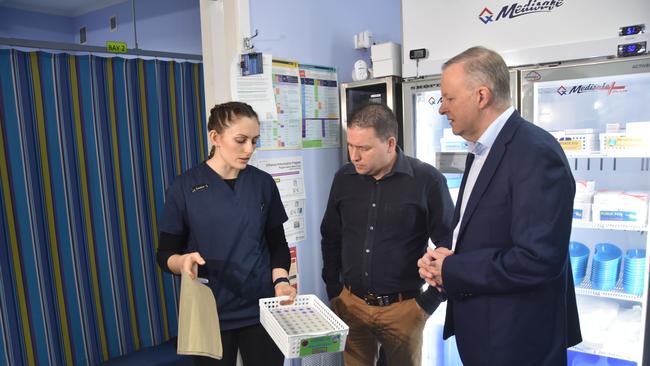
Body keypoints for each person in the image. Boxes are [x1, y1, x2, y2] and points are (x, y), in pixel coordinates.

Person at [417, 46, 582, 365]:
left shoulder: (534, 152)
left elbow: (537, 260)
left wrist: (452, 269)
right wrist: (444, 259)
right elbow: (484, 230)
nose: (442, 109)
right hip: (484, 335)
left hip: (517, 343)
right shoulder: (480, 149)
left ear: (481, 96)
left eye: (448, 98)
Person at [156, 101, 296, 366]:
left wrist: (281, 282)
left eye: (255, 141)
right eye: (241, 140)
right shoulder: (184, 187)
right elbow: (165, 254)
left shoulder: (262, 183)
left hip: (262, 309)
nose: (249, 149)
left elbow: (277, 243)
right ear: (215, 137)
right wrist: (182, 262)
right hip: (211, 312)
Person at [321, 103, 454, 366]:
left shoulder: (427, 180)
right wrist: (334, 291)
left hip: (404, 309)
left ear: (390, 144)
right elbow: (331, 236)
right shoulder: (344, 178)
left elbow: (450, 247)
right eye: (351, 146)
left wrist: (429, 303)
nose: (354, 156)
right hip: (351, 304)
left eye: (364, 148)